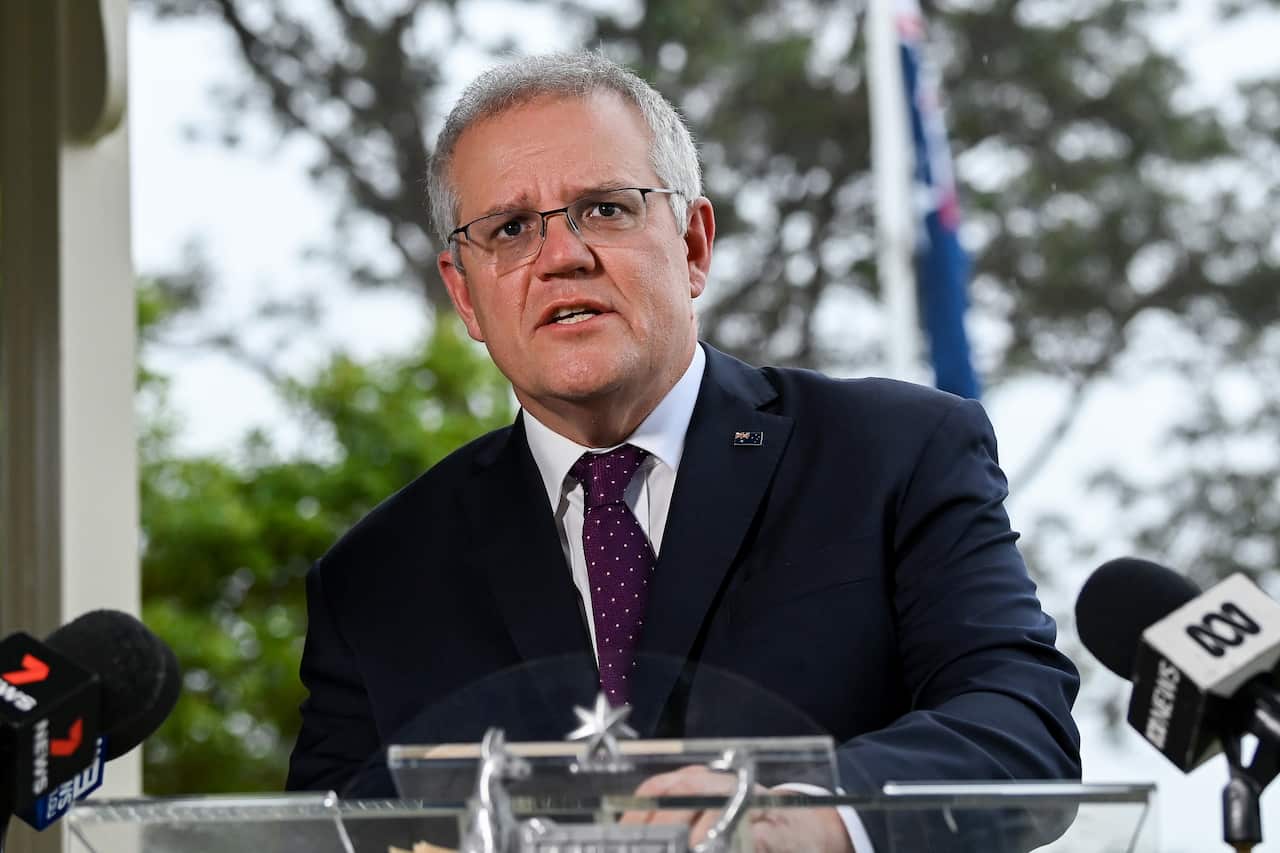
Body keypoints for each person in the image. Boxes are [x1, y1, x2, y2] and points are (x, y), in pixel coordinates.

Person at [286, 51, 1081, 851]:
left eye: (604, 209)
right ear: (465, 293)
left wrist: (811, 814)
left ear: (694, 245)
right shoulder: (377, 576)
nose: (562, 256)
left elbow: (1019, 728)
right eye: (511, 229)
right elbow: (320, 833)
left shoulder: (893, 453)